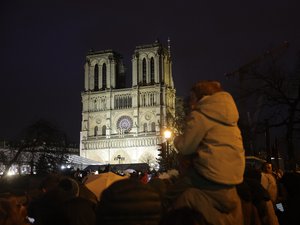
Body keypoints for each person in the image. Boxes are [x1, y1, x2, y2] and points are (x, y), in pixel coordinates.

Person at [166, 80, 245, 225]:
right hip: (233, 177)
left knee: (170, 194)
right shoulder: (229, 116)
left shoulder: (201, 113)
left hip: (210, 174)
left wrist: (175, 139)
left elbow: (185, 146)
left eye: (192, 98)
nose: (190, 104)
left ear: (201, 97)